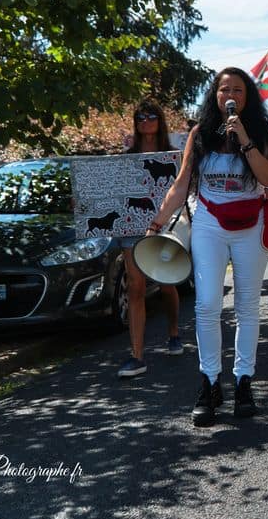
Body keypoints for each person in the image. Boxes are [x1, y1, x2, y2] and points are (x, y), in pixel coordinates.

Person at [146, 68, 268, 426]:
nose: (230, 95)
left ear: (247, 96)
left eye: (237, 89)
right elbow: (181, 183)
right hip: (208, 223)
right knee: (206, 303)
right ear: (215, 96)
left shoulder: (263, 133)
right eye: (224, 90)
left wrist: (246, 140)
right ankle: (209, 381)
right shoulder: (199, 134)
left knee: (247, 305)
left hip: (251, 224)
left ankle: (244, 381)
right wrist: (157, 222)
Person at [117, 101, 183, 379]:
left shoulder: (172, 156)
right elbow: (114, 192)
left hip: (164, 225)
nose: (145, 121)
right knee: (135, 287)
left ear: (160, 121)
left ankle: (174, 332)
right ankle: (137, 356)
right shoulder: (126, 156)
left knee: (166, 283)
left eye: (151, 116)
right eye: (140, 117)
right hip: (131, 227)